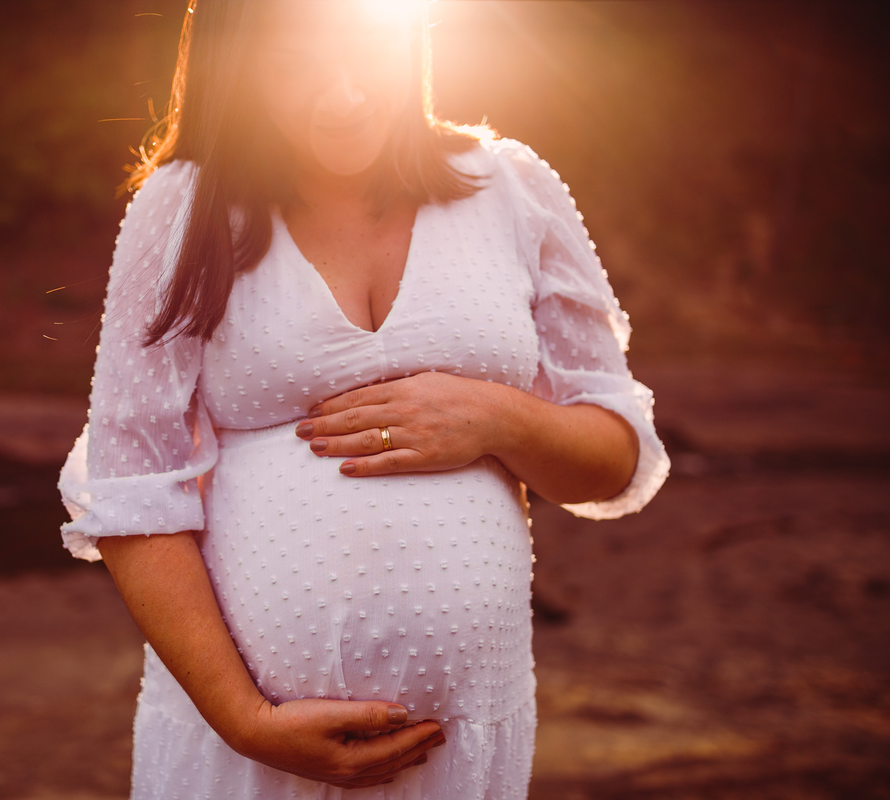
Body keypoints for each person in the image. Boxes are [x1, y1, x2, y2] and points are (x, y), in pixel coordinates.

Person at [58, 1, 669, 797]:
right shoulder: (187, 206)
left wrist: (500, 417)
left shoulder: (512, 189)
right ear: (239, 71)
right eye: (296, 68)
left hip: (461, 745)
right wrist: (244, 719)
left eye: (366, 54)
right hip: (245, 755)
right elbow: (133, 488)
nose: (343, 96)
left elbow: (614, 459)